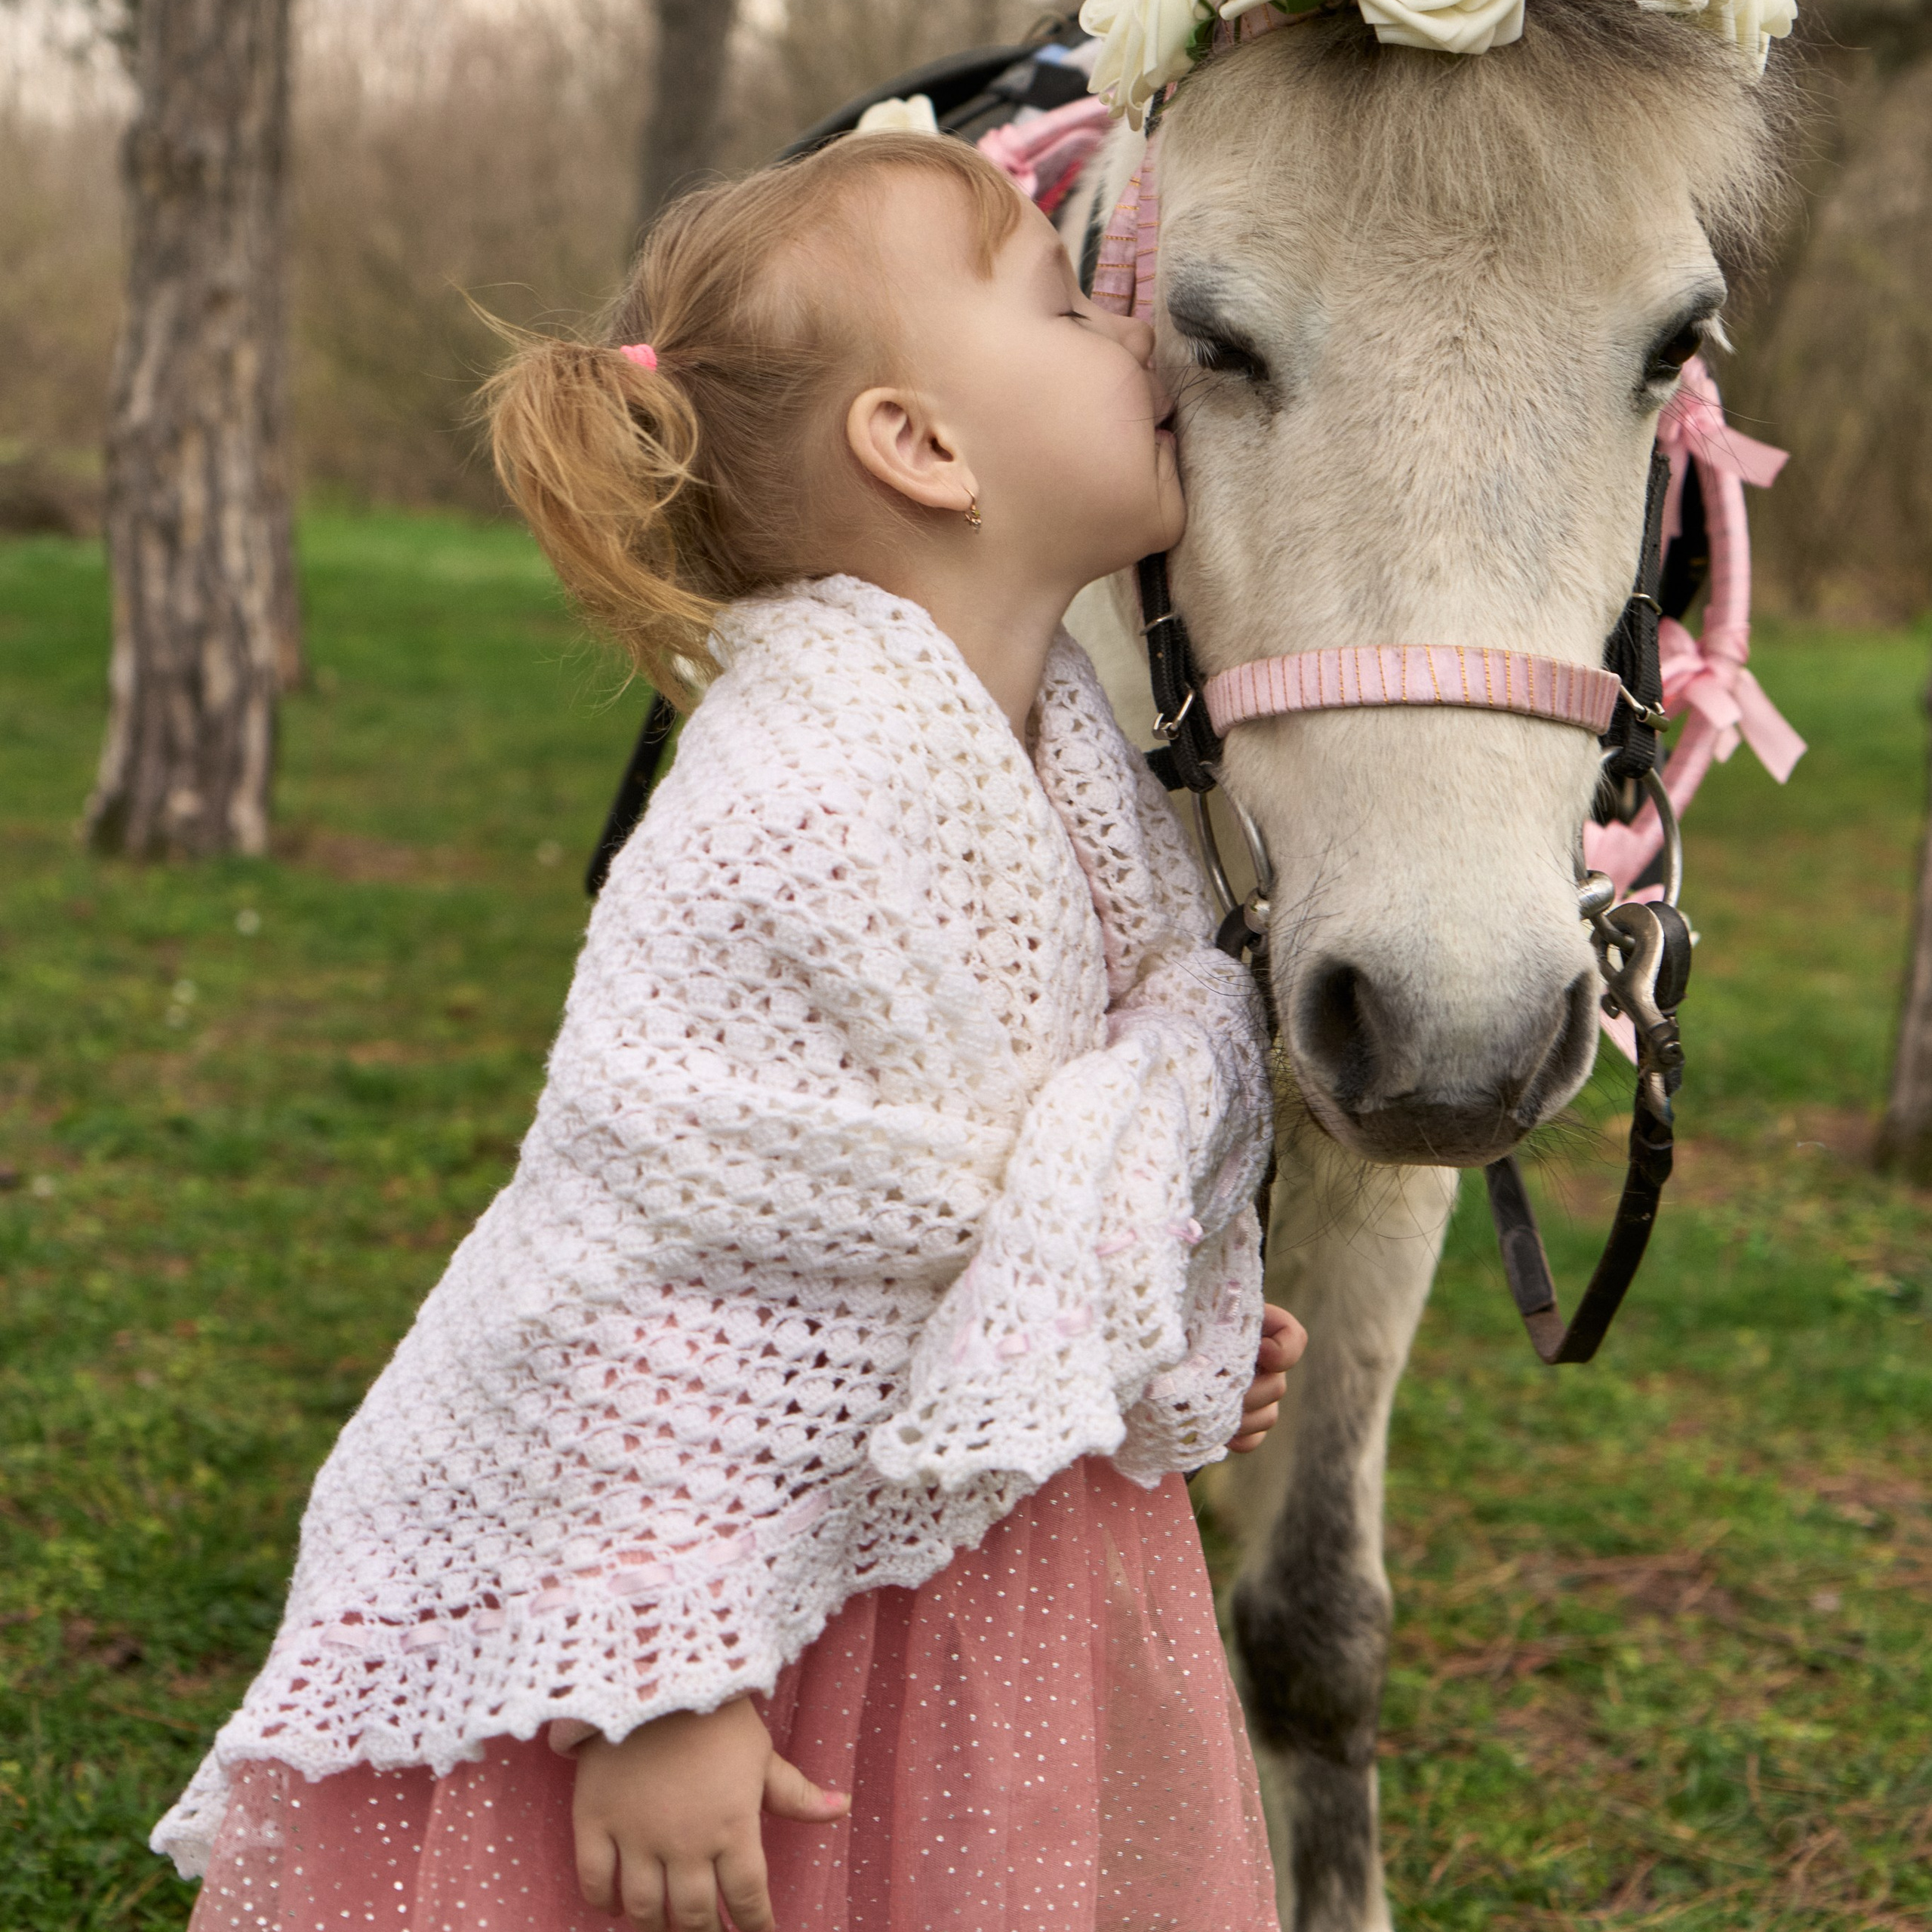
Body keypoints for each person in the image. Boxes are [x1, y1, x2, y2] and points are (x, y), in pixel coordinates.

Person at [154, 131, 1306, 1932]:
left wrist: (1135, 1282)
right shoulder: (788, 795)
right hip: (756, 1603)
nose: (1137, 337)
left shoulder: (1066, 746)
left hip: (1004, 1550)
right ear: (919, 444)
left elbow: (1069, 1141)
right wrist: (666, 1675)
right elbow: (642, 1269)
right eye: (1068, 304)